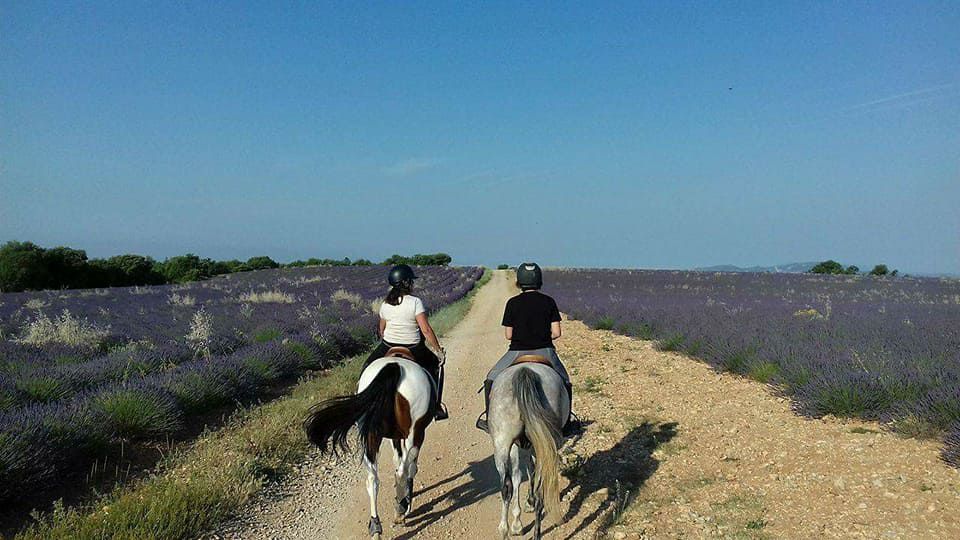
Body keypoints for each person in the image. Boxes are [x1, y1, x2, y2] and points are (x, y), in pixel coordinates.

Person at [476, 262, 576, 434]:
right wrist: (542, 336)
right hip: (545, 350)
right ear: (539, 281)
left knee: (491, 378)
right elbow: (557, 332)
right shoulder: (549, 301)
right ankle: (567, 424)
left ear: (519, 282)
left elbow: (508, 335)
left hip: (516, 352)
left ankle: (488, 419)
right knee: (565, 380)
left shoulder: (512, 303)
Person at [364, 264, 448, 420]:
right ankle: (436, 406)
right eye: (411, 281)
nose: (413, 284)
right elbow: (426, 330)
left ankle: (361, 406)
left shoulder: (385, 303)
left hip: (388, 345)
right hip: (413, 347)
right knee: (434, 366)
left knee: (367, 366)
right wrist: (438, 350)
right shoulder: (415, 302)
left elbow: (381, 330)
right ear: (406, 283)